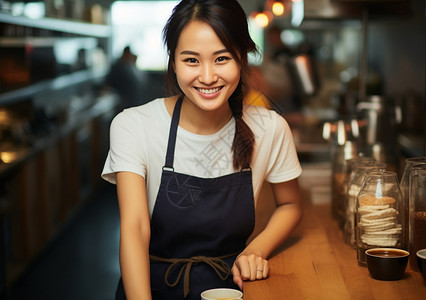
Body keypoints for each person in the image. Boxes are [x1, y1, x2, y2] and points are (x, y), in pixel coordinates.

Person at [101, 0, 303, 299]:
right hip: (151, 287)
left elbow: (291, 205)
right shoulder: (134, 125)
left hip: (231, 290)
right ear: (173, 61)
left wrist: (255, 251)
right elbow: (135, 228)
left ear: (242, 59)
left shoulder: (270, 128)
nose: (207, 77)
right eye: (191, 60)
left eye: (221, 59)